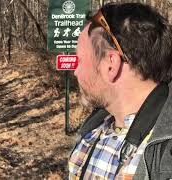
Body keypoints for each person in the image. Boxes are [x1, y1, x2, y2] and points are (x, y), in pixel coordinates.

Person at [68, 2, 172, 180]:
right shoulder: (92, 131)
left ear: (111, 65)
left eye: (80, 60)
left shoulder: (165, 160)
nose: (75, 71)